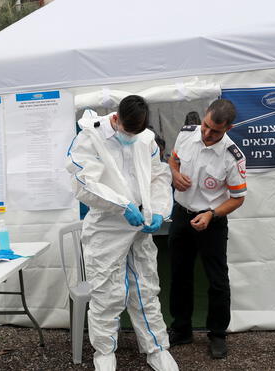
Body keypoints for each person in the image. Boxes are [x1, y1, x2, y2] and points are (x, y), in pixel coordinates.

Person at [66, 95, 178, 371]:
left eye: (135, 133)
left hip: (140, 224)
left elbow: (158, 176)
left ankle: (156, 347)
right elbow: (83, 183)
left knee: (146, 287)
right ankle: (104, 352)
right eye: (127, 132)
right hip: (106, 225)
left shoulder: (146, 139)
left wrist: (160, 211)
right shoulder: (90, 137)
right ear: (116, 118)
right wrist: (121, 204)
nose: (130, 137)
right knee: (106, 291)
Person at [167, 99, 247, 359]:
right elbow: (173, 160)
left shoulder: (233, 157)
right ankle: (181, 329)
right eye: (205, 125)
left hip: (211, 221)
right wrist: (174, 174)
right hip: (181, 215)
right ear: (203, 117)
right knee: (179, 274)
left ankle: (217, 335)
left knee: (217, 281)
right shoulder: (187, 134)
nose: (207, 133)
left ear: (229, 128)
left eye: (215, 130)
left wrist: (212, 214)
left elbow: (237, 198)